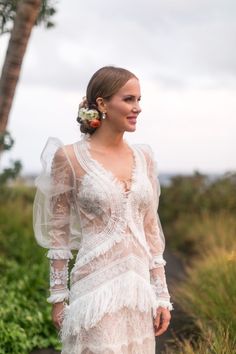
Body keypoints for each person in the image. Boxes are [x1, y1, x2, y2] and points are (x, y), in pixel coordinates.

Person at [33, 66, 173, 354]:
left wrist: (161, 295)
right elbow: (58, 233)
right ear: (101, 103)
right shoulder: (69, 158)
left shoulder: (144, 157)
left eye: (139, 99)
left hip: (137, 291)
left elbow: (150, 230)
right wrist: (59, 297)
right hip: (94, 290)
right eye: (129, 99)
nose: (138, 108)